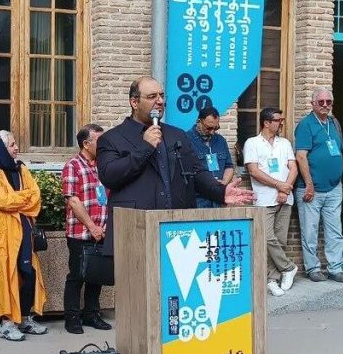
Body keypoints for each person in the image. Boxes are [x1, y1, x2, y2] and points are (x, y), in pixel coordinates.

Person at [96, 78, 255, 256]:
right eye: (152, 96)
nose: (160, 101)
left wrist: (221, 192)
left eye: (161, 96)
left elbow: (197, 172)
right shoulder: (112, 138)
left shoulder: (176, 135)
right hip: (135, 232)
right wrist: (145, 148)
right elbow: (109, 176)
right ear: (134, 102)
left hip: (177, 233)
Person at [0, 130, 48, 341]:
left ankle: (25, 318)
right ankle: (7, 323)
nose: (16, 148)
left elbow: (35, 196)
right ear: (1, 149)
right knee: (6, 276)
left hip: (25, 231)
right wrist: (23, 197)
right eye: (12, 145)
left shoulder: (22, 169)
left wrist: (17, 199)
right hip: (4, 235)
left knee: (28, 274)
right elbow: (2, 201)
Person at [61, 124, 111, 335]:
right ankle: (72, 318)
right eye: (99, 140)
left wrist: (105, 225)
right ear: (86, 143)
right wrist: (92, 226)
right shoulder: (72, 166)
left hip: (102, 231)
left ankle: (92, 314)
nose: (104, 144)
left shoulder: (103, 166)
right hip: (80, 233)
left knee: (96, 275)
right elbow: (73, 201)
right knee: (77, 275)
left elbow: (110, 196)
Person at [243, 107, 298, 296]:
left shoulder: (285, 143)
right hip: (264, 198)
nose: (281, 123)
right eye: (278, 120)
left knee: (280, 240)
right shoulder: (252, 143)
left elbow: (293, 168)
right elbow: (254, 171)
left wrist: (285, 188)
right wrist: (279, 185)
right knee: (267, 238)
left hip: (285, 197)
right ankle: (288, 267)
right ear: (266, 123)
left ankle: (272, 279)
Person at [294, 87, 343, 282]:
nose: (325, 105)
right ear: (313, 104)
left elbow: (338, 150)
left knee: (335, 231)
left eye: (328, 102)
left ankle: (335, 268)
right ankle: (313, 268)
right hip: (311, 189)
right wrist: (309, 184)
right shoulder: (306, 125)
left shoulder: (334, 123)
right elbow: (301, 156)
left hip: (334, 187)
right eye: (321, 102)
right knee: (310, 231)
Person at [186, 106, 234, 208]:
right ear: (199, 122)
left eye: (216, 128)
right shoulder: (186, 139)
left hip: (219, 198)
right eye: (209, 128)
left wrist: (223, 183)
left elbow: (229, 166)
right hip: (199, 199)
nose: (212, 132)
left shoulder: (220, 140)